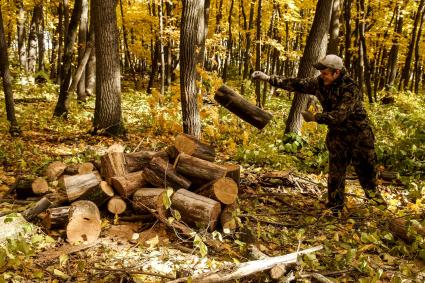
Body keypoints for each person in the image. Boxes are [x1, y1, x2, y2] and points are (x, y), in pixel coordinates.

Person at [252, 54, 386, 213]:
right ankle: (335, 209)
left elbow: (339, 116)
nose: (322, 77)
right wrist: (267, 78)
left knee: (367, 177)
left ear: (336, 73)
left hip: (359, 136)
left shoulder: (351, 89)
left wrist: (315, 117)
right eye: (321, 74)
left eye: (325, 74)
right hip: (337, 136)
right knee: (335, 176)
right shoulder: (319, 83)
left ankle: (381, 211)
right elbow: (296, 83)